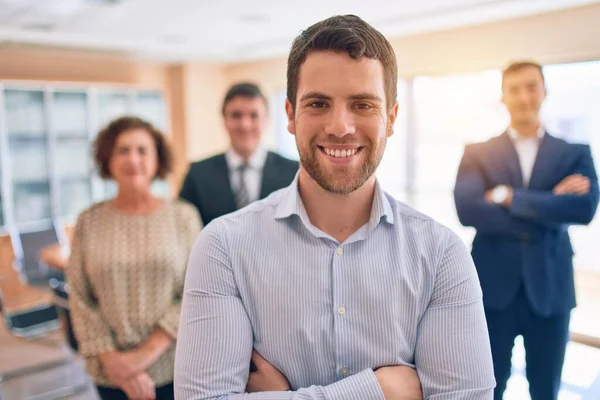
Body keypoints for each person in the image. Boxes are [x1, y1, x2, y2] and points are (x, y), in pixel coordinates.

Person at [175, 15, 495, 400]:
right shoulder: (223, 247)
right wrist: (377, 390)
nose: (340, 126)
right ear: (291, 115)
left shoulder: (442, 256)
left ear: (390, 119)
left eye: (362, 104)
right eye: (318, 103)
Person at [454, 61, 599, 400]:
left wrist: (508, 197)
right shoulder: (478, 152)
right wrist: (549, 205)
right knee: (487, 387)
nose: (524, 96)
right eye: (514, 89)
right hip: (492, 290)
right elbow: (468, 209)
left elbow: (584, 208)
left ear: (544, 92)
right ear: (503, 97)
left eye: (531, 87)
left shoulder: (574, 153)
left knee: (546, 390)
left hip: (551, 290)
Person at [67, 117, 202, 400]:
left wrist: (142, 357)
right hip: (110, 371)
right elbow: (80, 296)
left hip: (175, 366)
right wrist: (113, 360)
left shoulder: (183, 217)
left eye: (142, 150)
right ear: (108, 159)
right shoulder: (88, 221)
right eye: (123, 150)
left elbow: (196, 291)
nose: (133, 159)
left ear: (157, 160)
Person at [179, 83, 299, 226]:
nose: (245, 125)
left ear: (266, 120)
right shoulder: (198, 174)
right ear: (224, 120)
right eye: (236, 115)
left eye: (254, 115)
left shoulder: (294, 172)